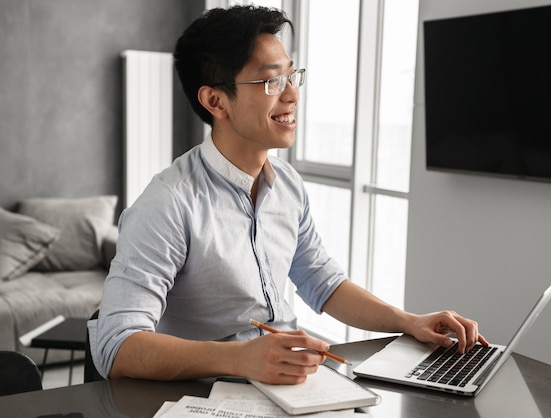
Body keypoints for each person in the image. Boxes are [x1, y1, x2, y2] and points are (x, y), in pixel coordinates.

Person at [89, 5, 488, 385]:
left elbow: (322, 281)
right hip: (208, 397)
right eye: (271, 81)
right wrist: (240, 358)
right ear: (215, 100)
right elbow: (116, 347)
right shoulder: (168, 203)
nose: (293, 95)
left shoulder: (287, 183)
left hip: (290, 387)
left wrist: (408, 321)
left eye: (293, 76)